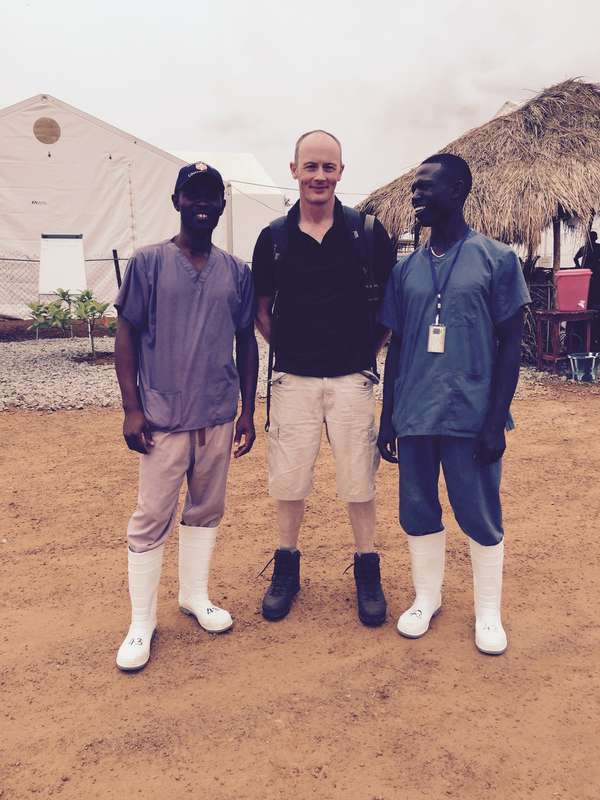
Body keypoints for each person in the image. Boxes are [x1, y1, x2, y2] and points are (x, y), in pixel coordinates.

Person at [378, 153, 530, 655]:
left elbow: (512, 344)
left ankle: (488, 612)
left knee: (479, 512)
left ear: (459, 190)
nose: (416, 196)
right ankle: (427, 599)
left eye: (426, 188)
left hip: (472, 412)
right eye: (414, 189)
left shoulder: (497, 259)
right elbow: (397, 346)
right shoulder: (407, 270)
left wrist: (495, 420)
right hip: (416, 412)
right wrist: (388, 418)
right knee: (418, 509)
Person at [113, 162, 258, 671]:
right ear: (176, 201)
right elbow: (126, 333)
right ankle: (141, 622)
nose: (202, 204)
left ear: (222, 205)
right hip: (162, 418)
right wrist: (132, 408)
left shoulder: (237, 271)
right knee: (151, 517)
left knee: (205, 509)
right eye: (192, 195)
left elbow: (246, 340)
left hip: (217, 415)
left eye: (212, 196)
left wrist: (247, 409)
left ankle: (195, 596)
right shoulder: (149, 262)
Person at [252, 130, 395, 626]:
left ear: (341, 171)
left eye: (328, 167)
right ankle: (287, 566)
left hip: (353, 379)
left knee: (360, 478)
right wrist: (292, 353)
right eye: (310, 166)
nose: (319, 176)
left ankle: (366, 567)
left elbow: (389, 310)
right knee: (289, 479)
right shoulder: (273, 237)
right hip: (293, 379)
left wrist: (363, 354)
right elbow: (262, 310)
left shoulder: (369, 233)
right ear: (293, 170)